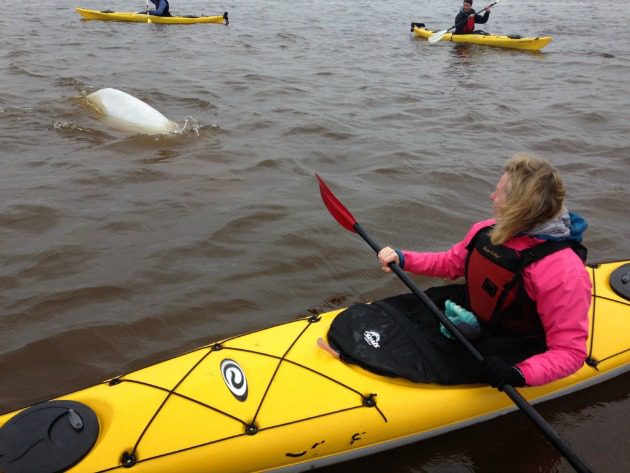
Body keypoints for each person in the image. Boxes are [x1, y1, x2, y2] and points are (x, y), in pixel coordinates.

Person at [376, 154, 591, 389]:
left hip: (515, 342)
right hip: (472, 314)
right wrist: (404, 258)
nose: (492, 196)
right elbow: (451, 263)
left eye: (499, 193)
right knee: (393, 315)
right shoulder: (486, 231)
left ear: (518, 208)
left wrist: (519, 374)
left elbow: (570, 352)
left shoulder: (564, 271)